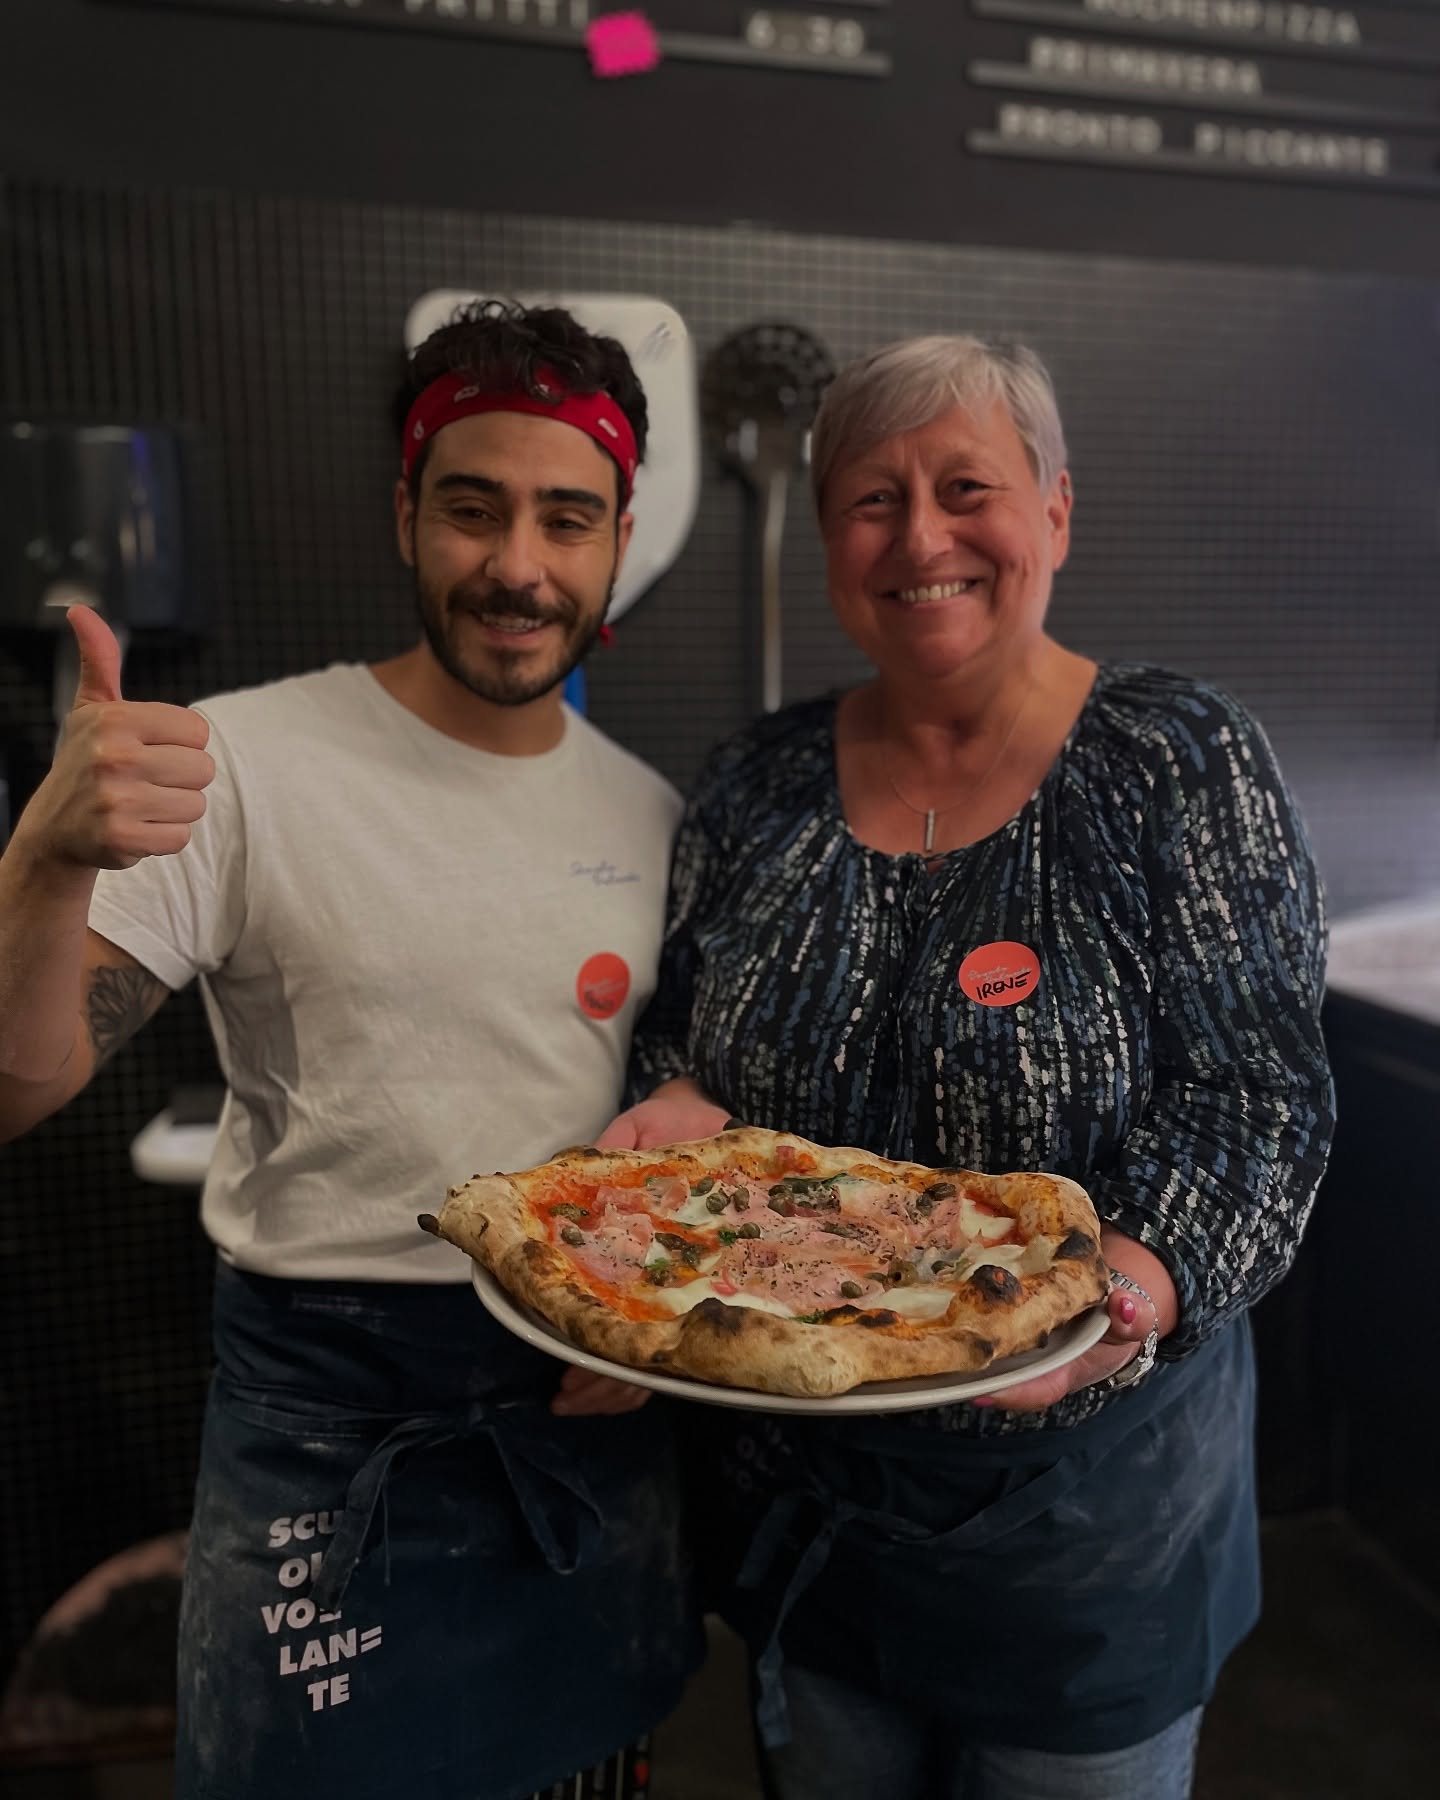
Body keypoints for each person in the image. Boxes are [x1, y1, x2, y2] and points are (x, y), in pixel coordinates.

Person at [600, 333, 1335, 1799]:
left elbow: (1263, 1104)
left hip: (1084, 1539)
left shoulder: (1179, 763)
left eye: (965, 487)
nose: (921, 535)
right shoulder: (753, 783)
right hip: (809, 1512)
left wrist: (1120, 1293)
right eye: (873, 500)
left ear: (1056, 509)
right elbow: (683, 1026)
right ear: (829, 543)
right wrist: (676, 1103)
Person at [0, 300, 702, 1800]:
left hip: (577, 1440)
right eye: (472, 506)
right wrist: (44, 862)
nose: (518, 564)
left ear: (617, 538)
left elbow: (673, 1131)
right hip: (329, 1437)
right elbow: (18, 1083)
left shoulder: (657, 820)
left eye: (566, 519)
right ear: (406, 511)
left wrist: (652, 1328)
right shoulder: (241, 764)